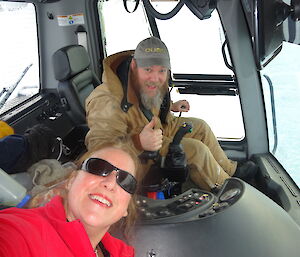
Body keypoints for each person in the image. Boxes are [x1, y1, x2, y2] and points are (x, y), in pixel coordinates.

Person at [85, 36, 257, 191]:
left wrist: (170, 106)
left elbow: (145, 104)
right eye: (148, 70)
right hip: (138, 155)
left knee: (200, 127)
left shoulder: (140, 82)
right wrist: (138, 142)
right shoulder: (107, 101)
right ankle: (227, 191)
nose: (155, 78)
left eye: (161, 71)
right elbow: (99, 151)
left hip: (157, 129)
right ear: (134, 66)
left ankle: (231, 171)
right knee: (196, 151)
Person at [0, 138, 139, 257]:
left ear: (126, 208)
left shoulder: (122, 252)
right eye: (98, 167)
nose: (110, 184)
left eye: (126, 181)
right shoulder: (23, 233)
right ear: (71, 180)